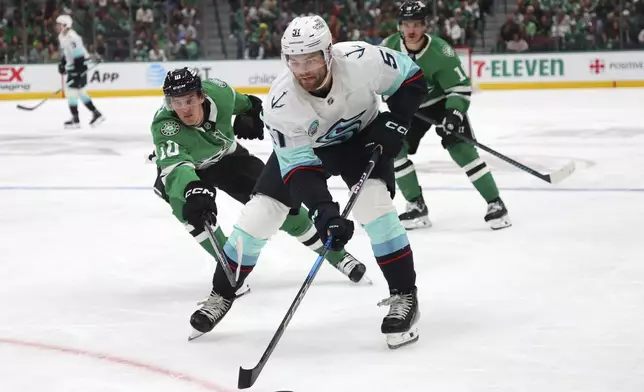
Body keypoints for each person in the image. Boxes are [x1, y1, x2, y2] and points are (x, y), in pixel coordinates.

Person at [196, 15, 427, 349]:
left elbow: (411, 79)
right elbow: (300, 171)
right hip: (310, 152)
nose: (303, 69)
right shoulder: (280, 104)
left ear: (329, 53)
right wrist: (324, 213)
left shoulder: (363, 60)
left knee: (373, 205)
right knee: (260, 214)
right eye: (294, 60)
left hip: (362, 140)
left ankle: (405, 295)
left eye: (312, 58)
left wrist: (398, 122)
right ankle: (222, 292)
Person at [150, 68, 369, 339]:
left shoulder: (220, 93)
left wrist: (252, 113)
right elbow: (176, 167)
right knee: (192, 213)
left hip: (229, 159)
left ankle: (338, 257)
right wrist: (192, 189)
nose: (184, 108)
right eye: (177, 102)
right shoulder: (165, 125)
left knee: (281, 204)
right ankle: (228, 279)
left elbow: (250, 104)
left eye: (189, 100)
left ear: (202, 96)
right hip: (187, 171)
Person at [381, 1, 511, 230]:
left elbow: (459, 87)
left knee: (462, 150)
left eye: (416, 25)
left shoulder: (441, 51)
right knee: (394, 150)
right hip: (409, 108)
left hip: (441, 104)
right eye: (406, 24)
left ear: (425, 26)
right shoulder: (388, 47)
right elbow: (376, 76)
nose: (411, 30)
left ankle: (496, 204)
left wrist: (453, 114)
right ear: (399, 26)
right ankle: (416, 206)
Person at [56, 14, 104, 128]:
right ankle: (94, 114)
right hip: (73, 66)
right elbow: (66, 53)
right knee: (80, 92)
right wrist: (62, 64)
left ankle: (77, 119)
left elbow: (79, 56)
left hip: (80, 66)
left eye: (59, 24)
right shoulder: (62, 36)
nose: (57, 26)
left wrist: (78, 71)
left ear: (65, 25)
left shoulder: (73, 37)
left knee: (73, 91)